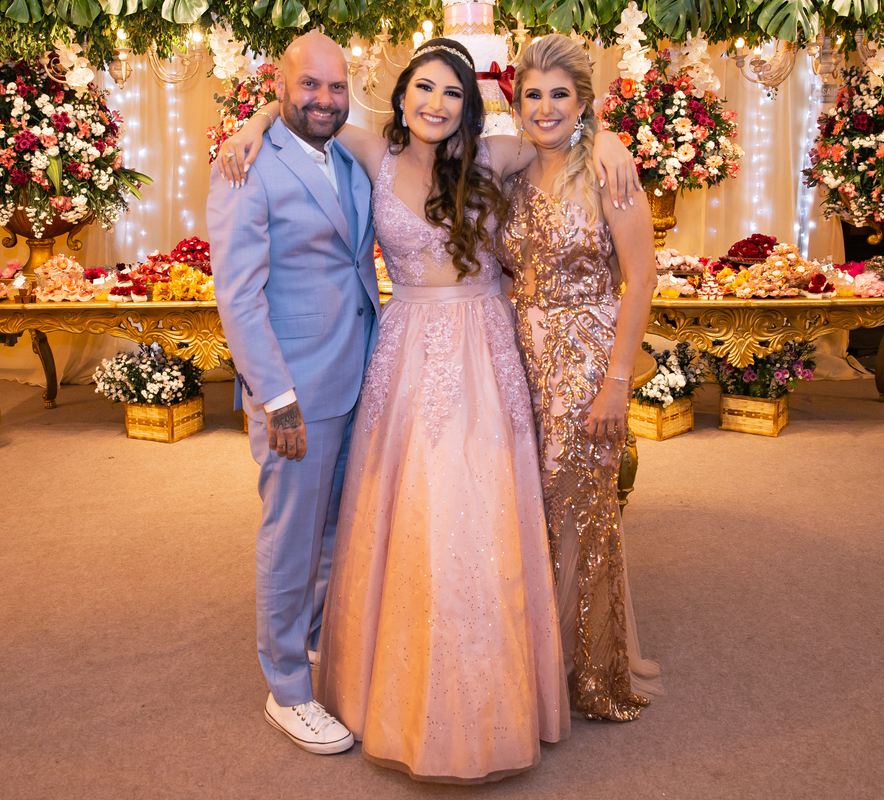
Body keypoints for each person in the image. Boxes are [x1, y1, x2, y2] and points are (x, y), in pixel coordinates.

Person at [218, 38, 639, 781]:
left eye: (451, 92)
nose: (435, 104)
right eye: (423, 88)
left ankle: (492, 690)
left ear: (468, 103)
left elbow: (556, 129)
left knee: (484, 509)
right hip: (405, 346)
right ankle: (361, 680)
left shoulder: (491, 157)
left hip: (486, 345)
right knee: (405, 508)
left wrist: (604, 136)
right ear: (401, 93)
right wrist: (251, 122)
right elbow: (303, 113)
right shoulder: (371, 151)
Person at [206, 31, 378, 756]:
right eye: (311, 86)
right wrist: (275, 398)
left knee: (339, 534)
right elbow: (239, 297)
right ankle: (285, 688)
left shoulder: (350, 154)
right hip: (297, 395)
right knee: (290, 539)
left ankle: (313, 644)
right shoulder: (246, 166)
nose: (325, 100)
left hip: (363, 375)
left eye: (337, 88)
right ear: (280, 84)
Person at [495, 34, 662, 721]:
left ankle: (591, 671)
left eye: (559, 94)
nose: (545, 107)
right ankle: (536, 662)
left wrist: (617, 380)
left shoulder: (605, 169)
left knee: (583, 514)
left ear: (582, 102)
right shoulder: (508, 171)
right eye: (533, 94)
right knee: (530, 510)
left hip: (587, 355)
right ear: (517, 101)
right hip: (517, 353)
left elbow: (642, 277)